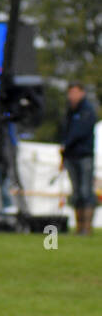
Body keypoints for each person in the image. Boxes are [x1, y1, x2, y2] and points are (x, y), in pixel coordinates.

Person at [60, 82, 96, 236]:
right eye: (70, 92)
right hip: (71, 156)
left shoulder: (87, 110)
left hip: (84, 155)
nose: (72, 96)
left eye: (75, 92)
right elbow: (64, 130)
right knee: (75, 192)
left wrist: (66, 144)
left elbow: (79, 132)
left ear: (82, 93)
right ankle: (79, 227)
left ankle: (86, 228)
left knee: (85, 191)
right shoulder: (69, 111)